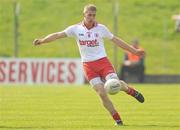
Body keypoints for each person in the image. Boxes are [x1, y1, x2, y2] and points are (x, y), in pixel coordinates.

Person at [33, 4, 145, 125]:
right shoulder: (75, 29)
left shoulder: (101, 29)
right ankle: (117, 119)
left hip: (103, 62)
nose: (91, 17)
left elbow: (116, 40)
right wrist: (43, 40)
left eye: (93, 15)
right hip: (88, 66)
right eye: (89, 15)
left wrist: (134, 51)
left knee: (115, 85)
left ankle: (130, 91)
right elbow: (57, 35)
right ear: (84, 15)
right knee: (102, 93)